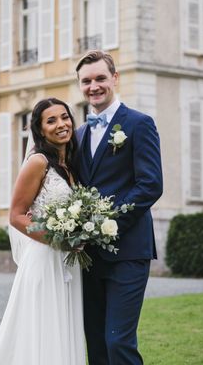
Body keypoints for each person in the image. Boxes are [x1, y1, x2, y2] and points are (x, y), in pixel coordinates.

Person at [75, 50, 163, 365]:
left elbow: (150, 184)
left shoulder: (139, 124)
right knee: (96, 344)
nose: (93, 86)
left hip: (128, 250)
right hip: (88, 258)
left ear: (115, 78)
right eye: (86, 81)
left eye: (100, 78)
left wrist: (106, 225)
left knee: (118, 343)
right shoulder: (79, 133)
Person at [0, 98, 86, 365]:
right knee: (43, 330)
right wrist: (58, 240)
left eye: (64, 117)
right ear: (40, 130)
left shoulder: (69, 165)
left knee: (64, 328)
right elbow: (16, 215)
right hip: (44, 259)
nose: (61, 124)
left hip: (67, 262)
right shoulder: (38, 162)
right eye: (51, 120)